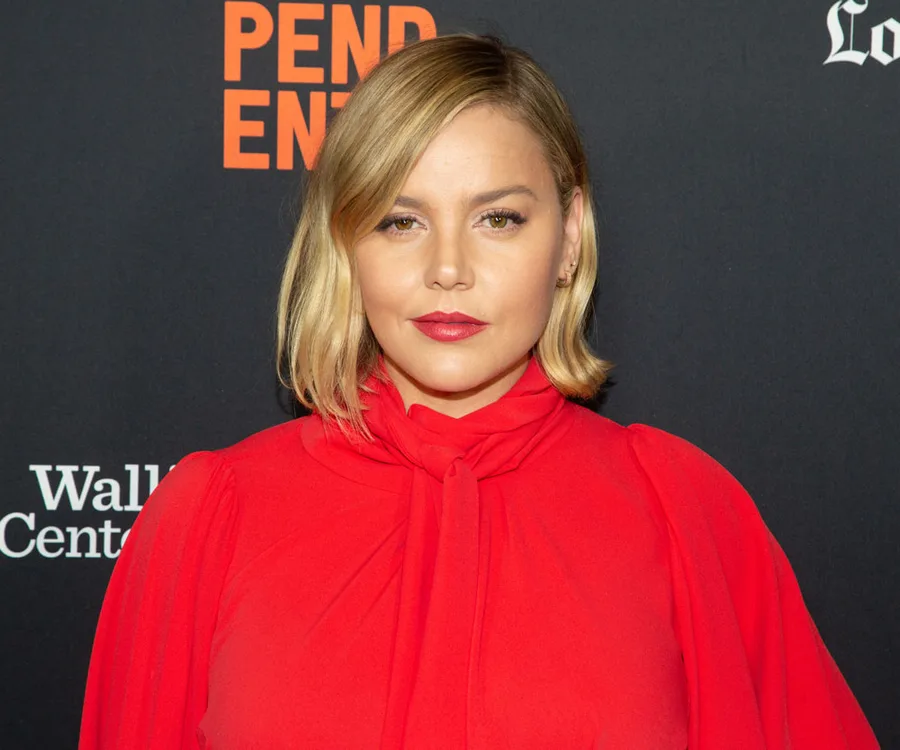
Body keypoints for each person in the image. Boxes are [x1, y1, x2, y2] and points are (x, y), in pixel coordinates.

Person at [78, 33, 879, 749]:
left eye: (498, 219)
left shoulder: (685, 509)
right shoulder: (209, 515)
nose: (449, 268)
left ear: (568, 238)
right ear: (343, 244)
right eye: (400, 221)